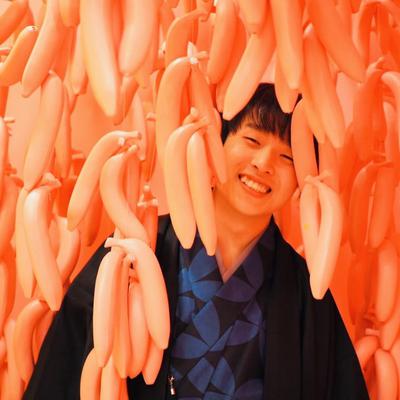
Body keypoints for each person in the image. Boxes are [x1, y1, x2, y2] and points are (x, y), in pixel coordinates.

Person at [23, 84, 369, 399]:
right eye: (252, 141)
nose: (264, 164)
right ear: (216, 145)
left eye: (287, 157)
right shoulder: (137, 251)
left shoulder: (304, 291)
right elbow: (68, 366)